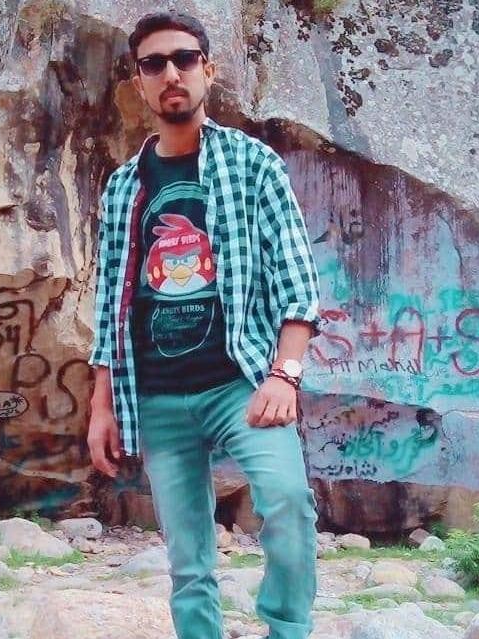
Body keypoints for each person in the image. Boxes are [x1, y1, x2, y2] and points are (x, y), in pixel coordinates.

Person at [87, 11, 321, 639]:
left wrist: (285, 374)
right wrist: (102, 405)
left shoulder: (253, 164)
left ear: (208, 71)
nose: (171, 73)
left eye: (184, 59)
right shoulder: (123, 188)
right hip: (157, 397)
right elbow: (111, 302)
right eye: (154, 63)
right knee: (187, 562)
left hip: (240, 384)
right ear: (139, 81)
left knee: (288, 505)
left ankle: (287, 630)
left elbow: (298, 281)